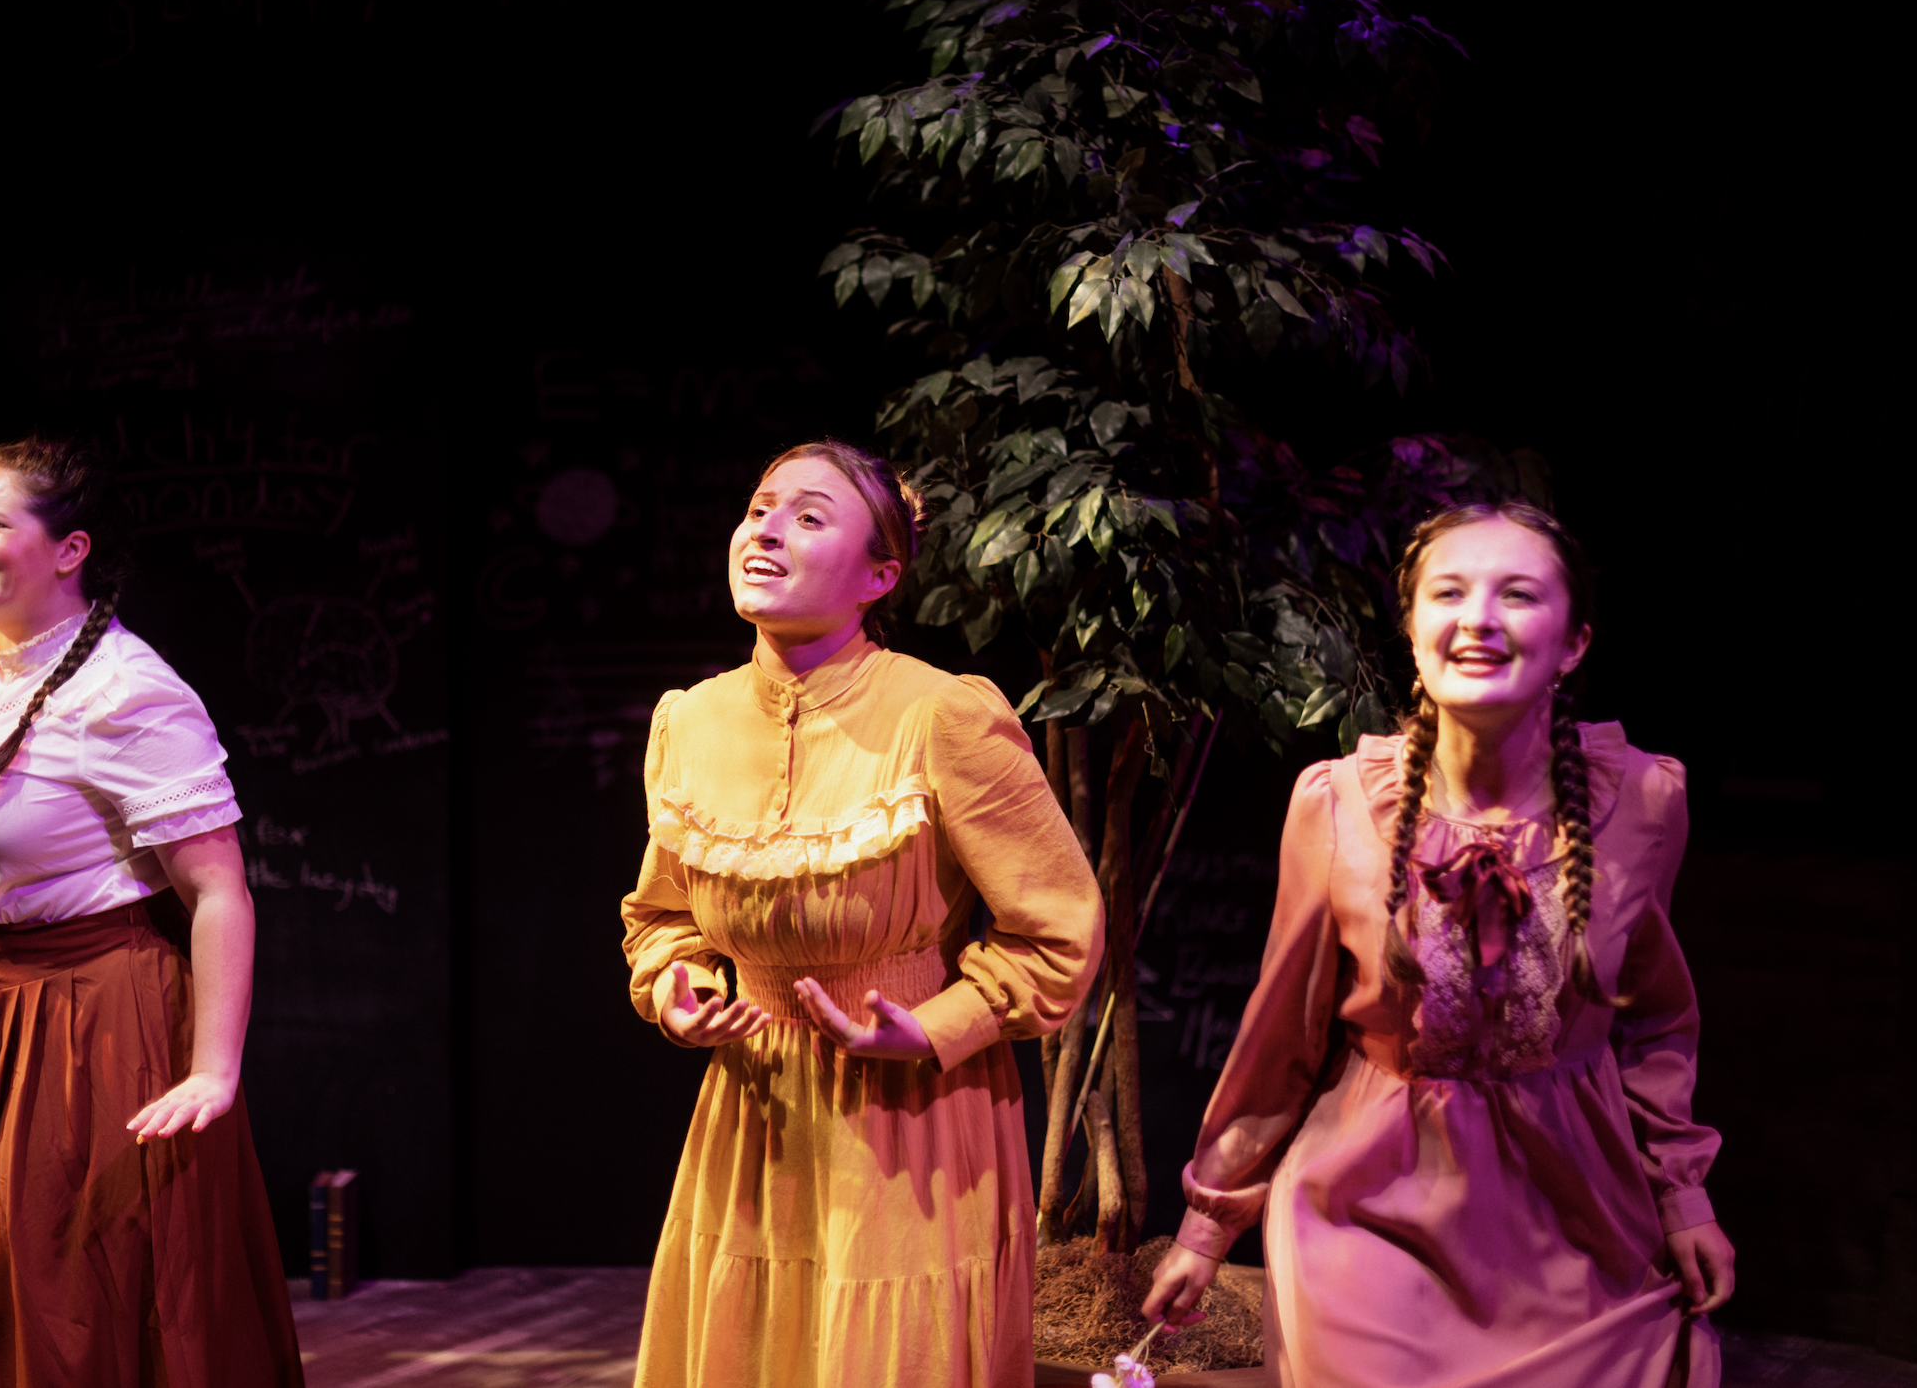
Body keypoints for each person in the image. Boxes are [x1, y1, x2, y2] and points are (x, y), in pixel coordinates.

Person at [1140, 502, 1734, 1388]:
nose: (1479, 618)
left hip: (1577, 1221)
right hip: (1367, 1214)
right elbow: (1279, 1037)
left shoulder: (1643, 803)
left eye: (1518, 594)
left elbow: (1654, 1020)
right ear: (1414, 631)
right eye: (1449, 593)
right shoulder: (1338, 805)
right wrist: (1209, 1222)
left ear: (1574, 644)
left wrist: (1683, 1197)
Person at [622, 441, 1103, 1388]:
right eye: (760, 508)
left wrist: (932, 1028)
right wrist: (678, 988)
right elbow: (662, 916)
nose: (767, 531)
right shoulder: (691, 721)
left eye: (808, 517)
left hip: (912, 1117)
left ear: (879, 577)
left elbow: (1058, 932)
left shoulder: (944, 716)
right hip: (752, 1115)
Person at [0, 436, 304, 1387]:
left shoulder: (126, 692)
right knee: (27, 1286)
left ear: (70, 549)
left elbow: (218, 891)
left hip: (104, 1021)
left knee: (95, 1294)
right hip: (10, 1012)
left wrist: (213, 1070)